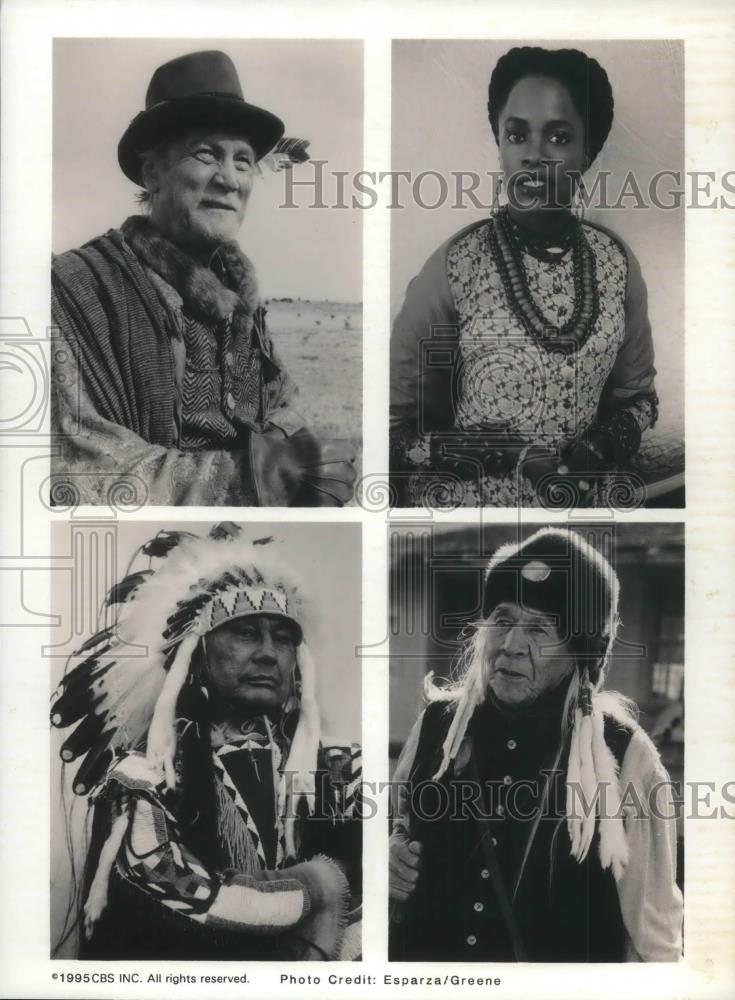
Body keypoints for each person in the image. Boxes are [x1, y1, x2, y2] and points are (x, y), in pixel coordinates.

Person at [51, 50, 355, 506]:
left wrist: (304, 458)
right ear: (152, 172)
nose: (229, 180)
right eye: (206, 154)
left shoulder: (242, 301)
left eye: (243, 160)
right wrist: (254, 477)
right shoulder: (75, 290)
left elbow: (284, 404)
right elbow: (77, 464)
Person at [51, 524, 361, 960]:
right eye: (246, 633)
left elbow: (374, 904)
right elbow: (192, 892)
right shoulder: (142, 779)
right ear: (196, 655)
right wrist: (323, 885)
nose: (269, 653)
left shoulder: (339, 767)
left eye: (284, 638)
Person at [389, 527, 683, 962]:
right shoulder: (438, 727)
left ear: (581, 653)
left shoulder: (625, 756)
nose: (511, 645)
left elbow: (655, 936)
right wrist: (391, 854)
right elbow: (398, 822)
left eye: (540, 629)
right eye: (503, 620)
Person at [390, 47, 659, 507]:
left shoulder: (617, 263)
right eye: (516, 135)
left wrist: (599, 449)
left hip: (583, 504)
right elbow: (396, 433)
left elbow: (639, 400)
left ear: (587, 152)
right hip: (471, 515)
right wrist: (511, 454)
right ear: (500, 145)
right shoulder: (457, 265)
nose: (533, 155)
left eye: (557, 137)